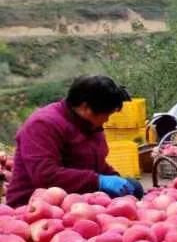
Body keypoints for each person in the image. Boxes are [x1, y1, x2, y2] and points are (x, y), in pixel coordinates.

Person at [6, 75, 144, 207]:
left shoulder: (90, 125)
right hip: (35, 202)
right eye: (106, 114)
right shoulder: (43, 124)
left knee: (134, 188)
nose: (107, 119)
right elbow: (46, 175)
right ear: (85, 107)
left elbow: (96, 164)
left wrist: (114, 178)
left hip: (77, 196)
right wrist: (98, 181)